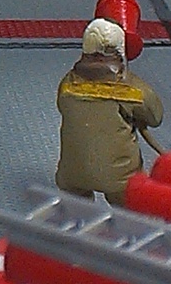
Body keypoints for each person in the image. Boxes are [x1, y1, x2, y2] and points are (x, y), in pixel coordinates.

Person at [56, 14, 163, 206]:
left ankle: (76, 218)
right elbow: (155, 117)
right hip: (119, 178)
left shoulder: (67, 84)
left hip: (72, 173)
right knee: (128, 207)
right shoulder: (132, 90)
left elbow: (63, 108)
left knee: (75, 205)